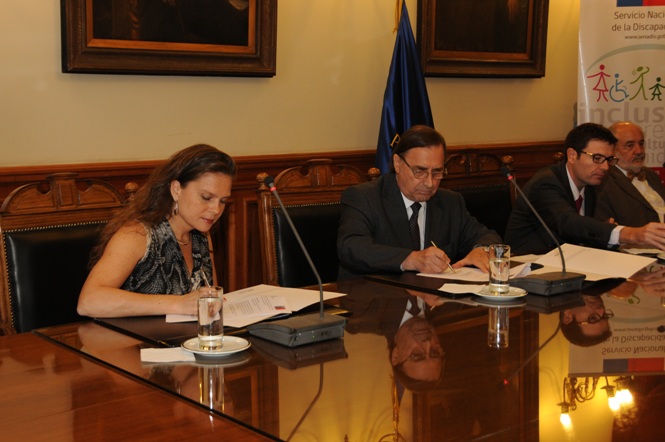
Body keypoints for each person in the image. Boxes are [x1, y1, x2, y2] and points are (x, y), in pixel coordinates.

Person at [77, 144, 236, 318]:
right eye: (206, 197)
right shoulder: (136, 235)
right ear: (176, 189)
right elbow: (88, 301)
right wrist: (177, 304)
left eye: (223, 201)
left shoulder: (201, 235)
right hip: (132, 343)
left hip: (184, 342)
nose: (215, 209)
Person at [337, 125, 502, 279]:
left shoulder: (450, 202)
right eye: (420, 171)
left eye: (437, 172)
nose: (430, 183)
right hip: (377, 300)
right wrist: (410, 259)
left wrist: (482, 250)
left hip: (434, 303)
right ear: (398, 163)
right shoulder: (364, 198)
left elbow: (486, 236)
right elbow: (352, 247)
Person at [504, 122, 665, 255]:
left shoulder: (591, 185)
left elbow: (582, 233)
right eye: (597, 158)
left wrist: (601, 229)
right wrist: (631, 234)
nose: (605, 167)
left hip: (569, 265)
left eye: (608, 159)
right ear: (572, 155)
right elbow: (567, 223)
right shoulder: (546, 182)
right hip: (527, 268)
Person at [595, 121, 665, 226]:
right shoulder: (604, 182)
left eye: (641, 144)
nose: (639, 151)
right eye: (630, 145)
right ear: (612, 150)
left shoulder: (650, 174)